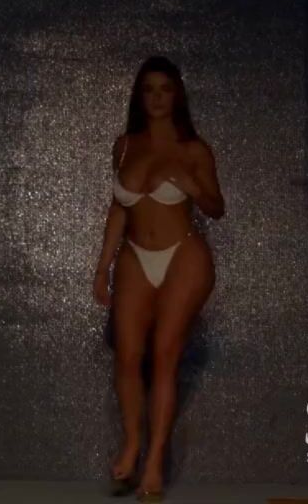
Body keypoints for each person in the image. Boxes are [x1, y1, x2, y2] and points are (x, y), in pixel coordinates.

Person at [92, 56, 225, 501]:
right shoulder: (124, 146)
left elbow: (216, 207)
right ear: (139, 96)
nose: (157, 97)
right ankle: (132, 444)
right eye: (149, 89)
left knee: (165, 356)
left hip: (183, 254)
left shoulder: (194, 149)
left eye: (165, 89)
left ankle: (154, 461)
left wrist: (189, 182)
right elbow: (119, 208)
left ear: (176, 96)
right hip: (134, 254)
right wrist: (102, 267)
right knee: (128, 355)